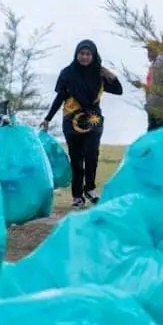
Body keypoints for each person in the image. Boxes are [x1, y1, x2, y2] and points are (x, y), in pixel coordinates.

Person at [40, 39, 123, 209]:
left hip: (93, 120)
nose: (84, 57)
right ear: (76, 54)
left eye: (88, 54)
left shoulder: (99, 74)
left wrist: (111, 76)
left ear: (93, 55)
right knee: (76, 159)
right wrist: (47, 118)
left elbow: (119, 90)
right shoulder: (67, 74)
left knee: (92, 155)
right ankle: (77, 195)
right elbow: (60, 98)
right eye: (81, 54)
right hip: (71, 120)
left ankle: (90, 189)